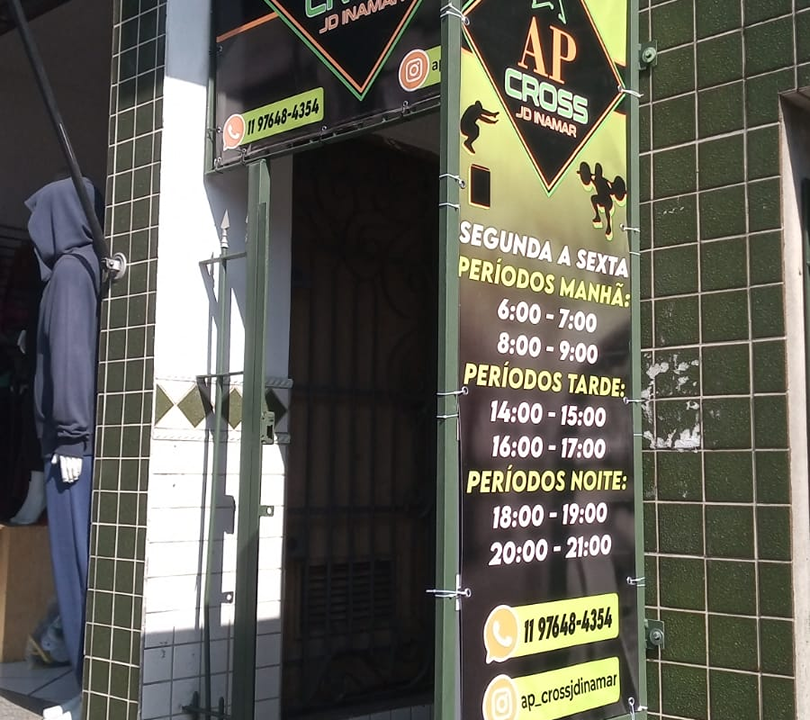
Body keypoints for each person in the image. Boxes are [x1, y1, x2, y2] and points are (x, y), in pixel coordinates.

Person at [25, 176, 102, 720]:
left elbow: (72, 355)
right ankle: (87, 689)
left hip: (72, 450)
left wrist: (71, 436)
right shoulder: (83, 271)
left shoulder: (71, 275)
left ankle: (86, 694)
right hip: (74, 445)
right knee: (80, 569)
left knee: (76, 572)